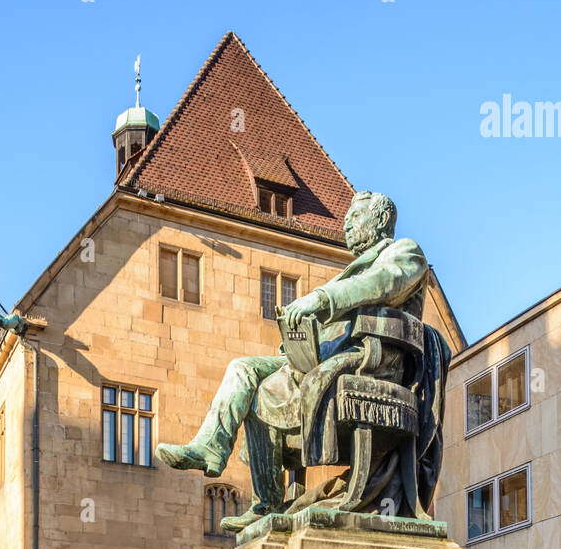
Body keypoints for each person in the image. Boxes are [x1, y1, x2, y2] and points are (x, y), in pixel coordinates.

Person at [156, 190, 450, 528]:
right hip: (319, 357)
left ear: (381, 219)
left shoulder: (404, 252)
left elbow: (384, 283)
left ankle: (265, 502)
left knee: (266, 391)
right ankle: (214, 452)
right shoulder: (350, 270)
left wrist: (320, 299)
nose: (346, 226)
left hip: (371, 363)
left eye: (354, 217)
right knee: (244, 371)